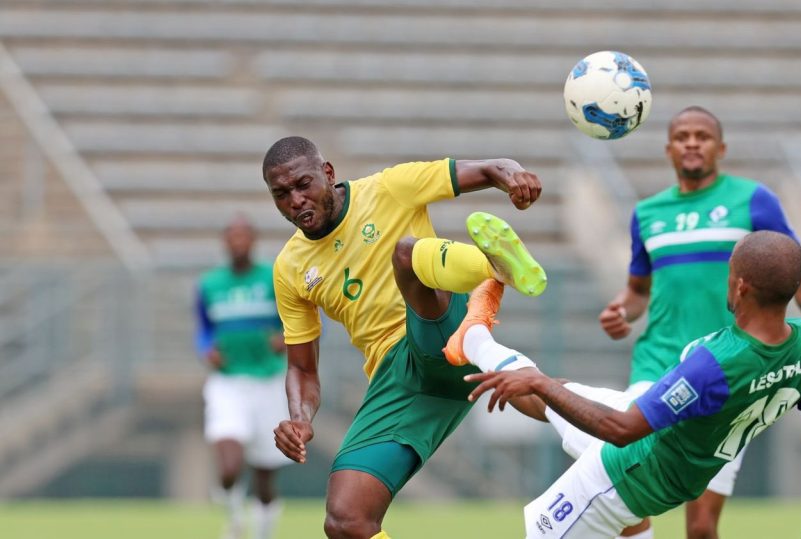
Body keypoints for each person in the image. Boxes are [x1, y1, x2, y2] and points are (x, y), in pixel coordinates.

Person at [457, 231, 801, 539]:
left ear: (741, 286)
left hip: (623, 474)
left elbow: (621, 430)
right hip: (661, 442)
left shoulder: (714, 363)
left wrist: (539, 384)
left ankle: (479, 343)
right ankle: (473, 338)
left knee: (546, 390)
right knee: (555, 396)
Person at [263, 136, 547, 539]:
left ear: (328, 174)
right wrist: (299, 418)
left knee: (406, 255)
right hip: (399, 381)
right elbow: (302, 368)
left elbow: (488, 168)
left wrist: (514, 176)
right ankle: (493, 273)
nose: (295, 200)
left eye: (303, 184)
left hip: (440, 327)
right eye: (281, 194)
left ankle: (493, 267)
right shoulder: (289, 269)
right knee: (345, 518)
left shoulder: (388, 188)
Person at [595, 106, 801, 538]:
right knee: (624, 500)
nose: (692, 143)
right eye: (682, 136)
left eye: (702, 135)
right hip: (657, 366)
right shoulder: (647, 214)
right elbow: (638, 290)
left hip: (726, 377)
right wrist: (622, 309)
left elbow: (800, 278)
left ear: (721, 147)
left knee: (700, 527)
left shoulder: (753, 201)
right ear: (668, 149)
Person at [196, 214, 291, 539]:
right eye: (232, 237)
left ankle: (264, 533)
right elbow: (204, 330)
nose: (238, 243)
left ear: (253, 241)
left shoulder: (272, 279)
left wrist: (285, 337)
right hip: (228, 382)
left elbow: (293, 319)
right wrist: (207, 348)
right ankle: (234, 520)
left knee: (264, 474)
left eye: (243, 236)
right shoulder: (210, 284)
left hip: (268, 381)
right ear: (225, 243)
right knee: (229, 465)